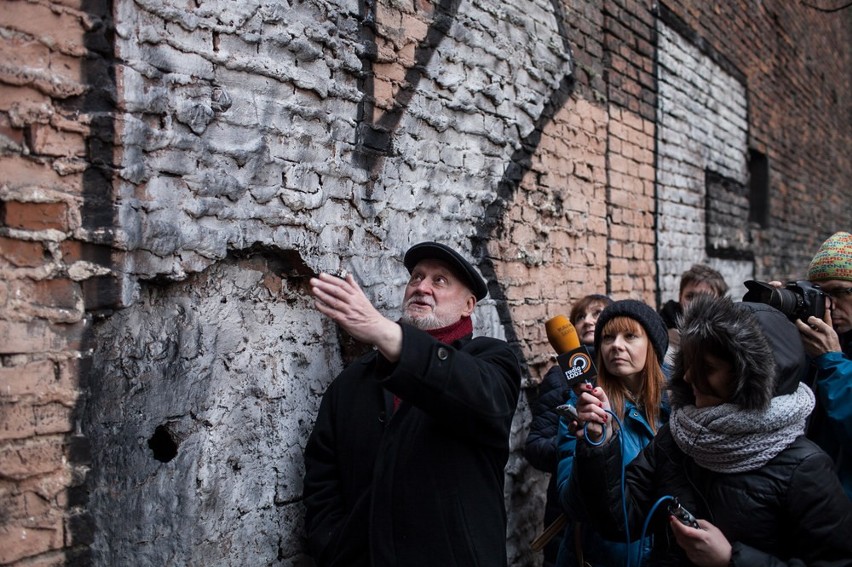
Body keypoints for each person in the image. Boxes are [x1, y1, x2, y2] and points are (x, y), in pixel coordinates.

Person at [571, 295, 852, 565]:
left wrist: (731, 560)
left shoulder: (805, 467)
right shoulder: (676, 437)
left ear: (749, 379)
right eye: (689, 364)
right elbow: (618, 520)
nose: (689, 376)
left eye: (707, 367)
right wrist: (600, 442)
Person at [302, 241, 522, 567]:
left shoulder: (492, 361)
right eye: (416, 278)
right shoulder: (352, 383)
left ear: (468, 305)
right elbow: (322, 479)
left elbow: (478, 395)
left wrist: (383, 331)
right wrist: (335, 544)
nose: (422, 287)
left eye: (440, 280)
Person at [554, 299, 669, 567]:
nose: (616, 345)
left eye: (630, 336)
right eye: (607, 338)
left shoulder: (678, 411)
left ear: (652, 345)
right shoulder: (582, 410)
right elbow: (572, 505)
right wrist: (594, 443)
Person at [524, 294, 613, 567]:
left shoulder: (627, 372)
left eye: (597, 313)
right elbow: (536, 446)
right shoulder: (559, 378)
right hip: (568, 519)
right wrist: (578, 447)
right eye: (580, 317)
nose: (588, 321)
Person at [797, 230, 852, 499]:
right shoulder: (819, 340)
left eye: (839, 292)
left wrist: (832, 362)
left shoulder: (828, 353)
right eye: (820, 294)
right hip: (816, 496)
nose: (829, 306)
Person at [658, 264, 728, 373]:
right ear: (680, 297)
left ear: (719, 302)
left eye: (705, 298)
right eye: (690, 297)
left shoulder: (729, 339)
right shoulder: (660, 333)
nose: (695, 304)